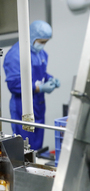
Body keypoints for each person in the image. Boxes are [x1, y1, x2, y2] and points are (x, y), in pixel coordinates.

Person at [3, 20, 60, 150]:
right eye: (41, 42)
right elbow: (14, 84)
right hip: (22, 108)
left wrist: (50, 79)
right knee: (24, 147)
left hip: (38, 105)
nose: (43, 45)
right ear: (32, 37)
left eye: (45, 42)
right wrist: (39, 88)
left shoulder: (39, 53)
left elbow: (41, 74)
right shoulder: (15, 55)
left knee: (36, 146)